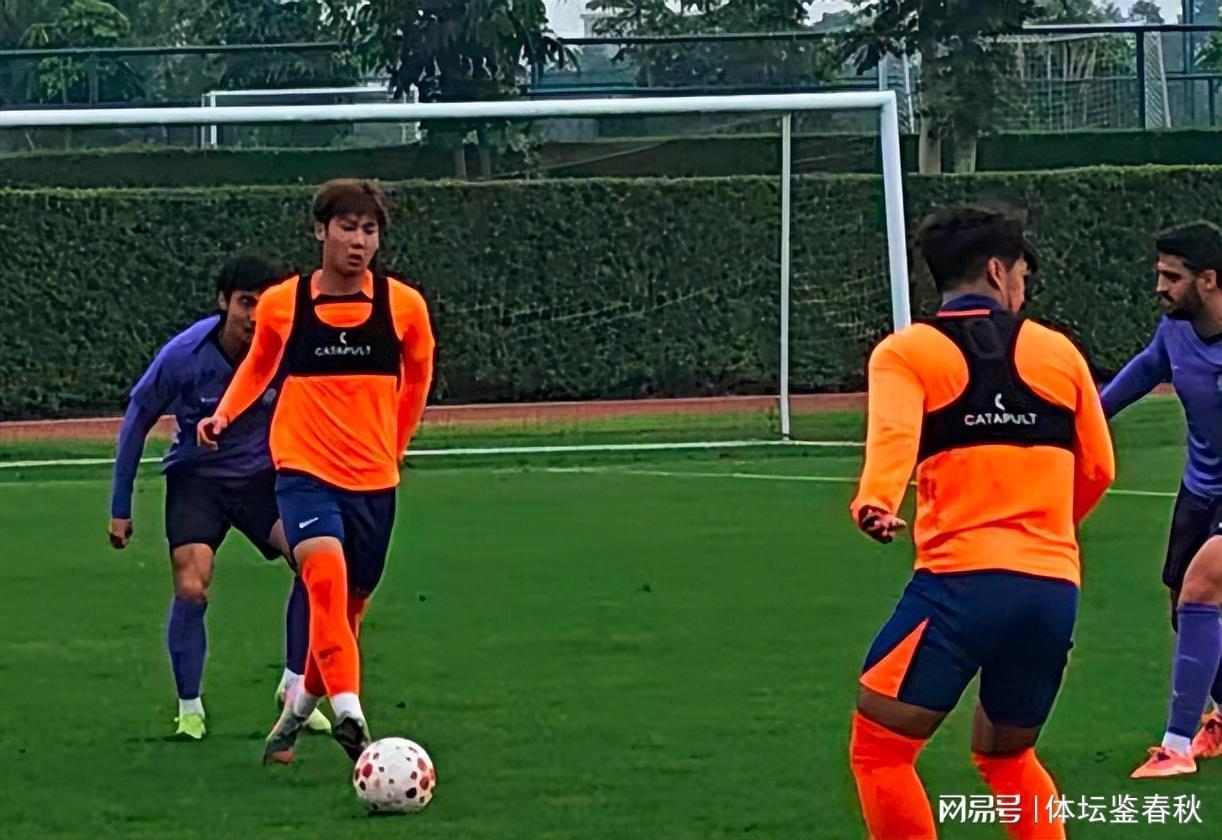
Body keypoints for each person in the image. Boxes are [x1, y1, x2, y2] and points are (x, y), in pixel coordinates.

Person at [849, 206, 1115, 840]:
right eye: (1022, 272)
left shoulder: (908, 351)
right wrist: (1048, 533)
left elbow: (893, 439)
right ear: (998, 271)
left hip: (960, 585)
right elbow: (1100, 468)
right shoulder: (1058, 351)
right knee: (1007, 757)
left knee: (881, 751)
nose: (1023, 286)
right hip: (1051, 590)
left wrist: (875, 502)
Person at [197, 180, 435, 765]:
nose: (359, 242)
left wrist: (394, 446)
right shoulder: (285, 302)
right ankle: (351, 713)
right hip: (303, 470)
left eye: (369, 230)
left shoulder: (404, 306)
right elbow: (259, 366)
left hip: (373, 480)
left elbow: (418, 379)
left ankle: (298, 708)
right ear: (320, 231)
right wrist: (224, 414)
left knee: (347, 613)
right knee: (323, 576)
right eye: (347, 228)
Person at [109, 255, 330, 740]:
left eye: (265, 305)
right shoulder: (184, 354)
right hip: (198, 481)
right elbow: (137, 418)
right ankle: (190, 710)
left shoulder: (288, 349)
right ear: (224, 302)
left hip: (262, 479)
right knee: (191, 587)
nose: (255, 316)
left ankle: (294, 687)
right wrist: (120, 506)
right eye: (246, 303)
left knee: (316, 564)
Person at [1100, 221, 1222, 778]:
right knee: (1183, 607)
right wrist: (1083, 420)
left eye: (1172, 277)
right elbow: (1145, 370)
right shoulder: (1174, 331)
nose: (1159, 288)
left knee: (1201, 588)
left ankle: (1176, 748)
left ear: (1209, 280)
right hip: (1200, 488)